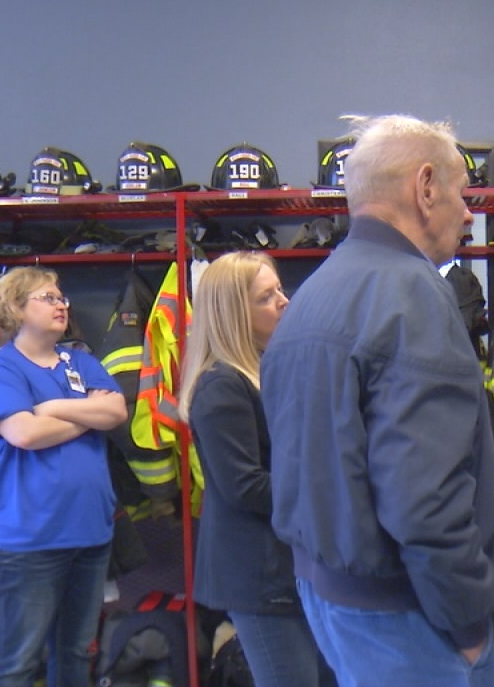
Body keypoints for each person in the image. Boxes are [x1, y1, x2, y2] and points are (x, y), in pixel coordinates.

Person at [260, 114, 494, 687]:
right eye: (462, 194)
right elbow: (424, 497)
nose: (469, 214)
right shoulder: (414, 295)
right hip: (410, 613)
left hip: (330, 592)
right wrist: (469, 627)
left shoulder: (314, 292)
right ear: (425, 188)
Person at [178, 251, 336, 686]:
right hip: (258, 574)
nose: (284, 301)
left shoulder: (268, 371)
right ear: (234, 313)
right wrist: (326, 494)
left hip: (289, 566)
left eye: (280, 290)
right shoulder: (222, 386)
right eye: (267, 297)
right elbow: (243, 486)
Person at [0, 266, 127, 686]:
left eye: (62, 298)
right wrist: (85, 416)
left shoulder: (81, 359)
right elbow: (23, 433)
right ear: (16, 308)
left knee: (75, 654)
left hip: (90, 534)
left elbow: (115, 412)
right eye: (48, 298)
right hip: (30, 540)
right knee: (19, 662)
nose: (61, 305)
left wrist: (52, 408)